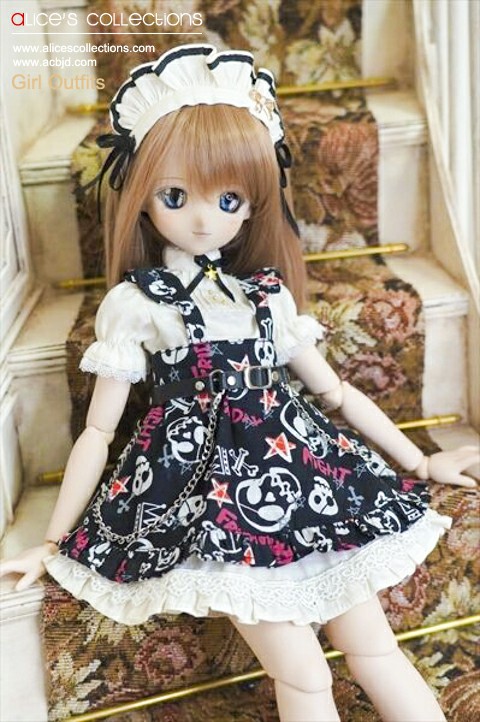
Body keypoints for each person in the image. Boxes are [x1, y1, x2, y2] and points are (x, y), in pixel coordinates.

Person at [1, 44, 478, 722]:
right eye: (175, 196)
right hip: (213, 503)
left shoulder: (266, 295)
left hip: (307, 483)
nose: (204, 220)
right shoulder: (140, 305)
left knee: (375, 648)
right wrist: (53, 542)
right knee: (305, 674)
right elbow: (100, 432)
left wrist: (421, 460)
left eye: (228, 200)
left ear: (252, 205)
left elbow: (335, 394)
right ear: (143, 198)